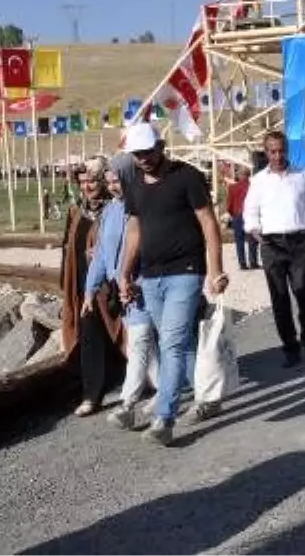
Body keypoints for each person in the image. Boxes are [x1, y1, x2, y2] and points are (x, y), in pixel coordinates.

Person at [119, 122, 228, 445]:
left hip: (187, 270)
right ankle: (207, 395)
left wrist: (215, 270)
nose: (144, 159)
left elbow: (209, 225)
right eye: (137, 155)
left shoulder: (188, 177)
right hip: (151, 277)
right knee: (185, 342)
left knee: (171, 342)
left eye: (149, 152)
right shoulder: (135, 185)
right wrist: (125, 272)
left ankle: (164, 418)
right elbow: (135, 230)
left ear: (162, 145)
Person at [85, 154, 158, 430]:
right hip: (123, 290)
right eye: (110, 181)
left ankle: (127, 405)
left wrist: (135, 279)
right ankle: (165, 391)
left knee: (138, 343)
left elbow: (152, 245)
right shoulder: (111, 211)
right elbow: (103, 253)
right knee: (146, 346)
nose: (114, 186)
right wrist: (91, 289)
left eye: (118, 180)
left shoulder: (144, 204)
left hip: (145, 286)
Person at [243, 131, 305, 367]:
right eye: (272, 151)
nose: (277, 156)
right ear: (266, 152)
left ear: (287, 150)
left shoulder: (302, 176)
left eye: (281, 150)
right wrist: (255, 230)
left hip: (300, 243)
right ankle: (290, 346)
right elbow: (250, 212)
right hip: (271, 245)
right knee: (279, 299)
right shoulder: (258, 181)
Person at [62, 157, 123, 417]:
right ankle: (91, 395)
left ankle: (132, 379)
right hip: (83, 285)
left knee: (122, 333)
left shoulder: (116, 209)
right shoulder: (76, 211)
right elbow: (67, 247)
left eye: (92, 181)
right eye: (83, 182)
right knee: (90, 337)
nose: (87, 187)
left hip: (112, 284)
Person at [226, 166, 259, 271]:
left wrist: (232, 214)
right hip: (250, 215)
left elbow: (229, 205)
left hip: (237, 215)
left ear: (240, 175)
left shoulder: (232, 187)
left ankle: (242, 264)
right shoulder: (253, 187)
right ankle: (253, 262)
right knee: (252, 239)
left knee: (239, 240)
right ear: (249, 175)